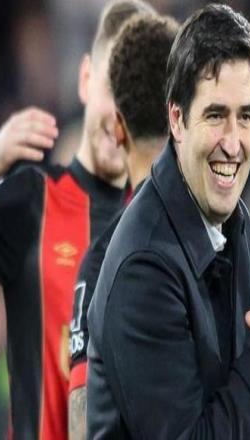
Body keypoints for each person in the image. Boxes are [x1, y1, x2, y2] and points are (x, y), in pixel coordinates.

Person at [87, 4, 250, 438]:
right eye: (216, 116)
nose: (233, 144)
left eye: (245, 117)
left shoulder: (239, 232)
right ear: (177, 119)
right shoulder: (144, 267)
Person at [0, 1, 155, 438]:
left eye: (137, 100)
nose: (120, 117)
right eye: (114, 88)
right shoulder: (32, 200)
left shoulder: (161, 229)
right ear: (85, 79)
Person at [68, 13, 179, 440]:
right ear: (181, 116)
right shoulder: (238, 243)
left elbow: (82, 424)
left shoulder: (100, 263)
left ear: (118, 126)